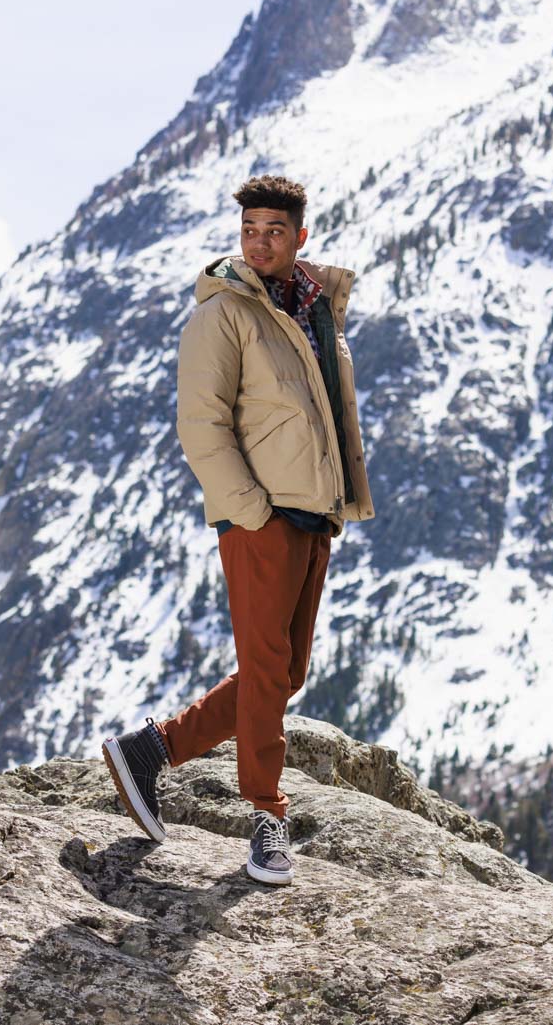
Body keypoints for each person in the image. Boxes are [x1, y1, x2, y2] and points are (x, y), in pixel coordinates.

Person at [101, 173, 374, 886]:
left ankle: (151, 750)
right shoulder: (222, 313)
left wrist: (335, 503)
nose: (259, 243)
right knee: (265, 668)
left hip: (313, 513)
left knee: (283, 673)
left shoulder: (314, 310)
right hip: (262, 517)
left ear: (299, 237)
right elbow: (202, 424)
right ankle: (266, 817)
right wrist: (250, 509)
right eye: (250, 230)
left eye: (274, 231)